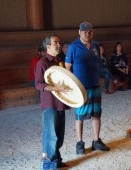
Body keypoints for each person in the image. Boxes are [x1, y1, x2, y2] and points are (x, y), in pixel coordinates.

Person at [65, 21, 110, 155]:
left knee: (96, 114)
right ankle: (79, 143)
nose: (87, 34)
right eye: (85, 32)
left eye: (90, 32)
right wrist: (72, 86)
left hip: (95, 85)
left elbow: (98, 63)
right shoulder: (73, 47)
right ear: (79, 32)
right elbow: (68, 68)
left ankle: (96, 141)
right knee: (80, 116)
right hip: (81, 87)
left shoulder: (96, 45)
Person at [35, 34, 70, 169]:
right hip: (50, 105)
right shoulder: (42, 63)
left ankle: (56, 160)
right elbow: (38, 84)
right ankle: (48, 164)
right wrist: (56, 88)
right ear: (48, 46)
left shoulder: (59, 61)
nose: (59, 45)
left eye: (59, 42)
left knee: (59, 135)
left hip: (60, 103)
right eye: (55, 42)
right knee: (50, 135)